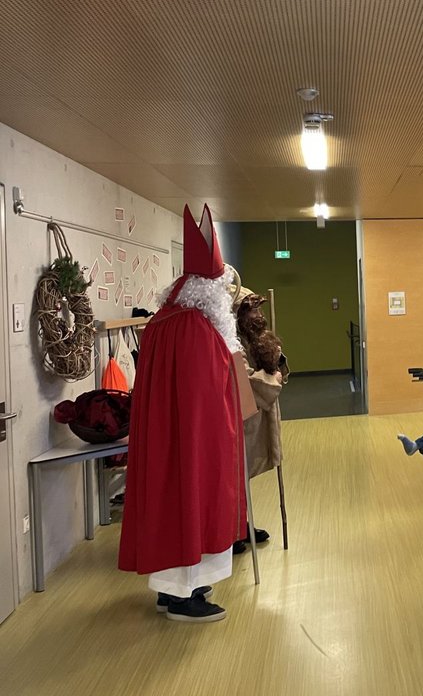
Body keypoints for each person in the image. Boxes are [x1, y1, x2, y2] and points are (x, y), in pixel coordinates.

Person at [118, 204, 245, 623]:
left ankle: (170, 589)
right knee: (192, 500)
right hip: (192, 439)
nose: (226, 296)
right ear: (208, 289)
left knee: (169, 501)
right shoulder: (194, 328)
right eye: (222, 287)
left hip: (168, 437)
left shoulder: (164, 320)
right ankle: (184, 595)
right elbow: (204, 396)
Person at [232, 286, 290, 553]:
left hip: (255, 417)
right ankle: (232, 531)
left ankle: (240, 525)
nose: (259, 316)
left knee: (241, 478)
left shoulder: (253, 337)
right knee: (233, 476)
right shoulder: (231, 342)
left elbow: (273, 367)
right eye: (252, 310)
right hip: (240, 417)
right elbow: (245, 382)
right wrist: (272, 378)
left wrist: (274, 356)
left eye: (259, 309)